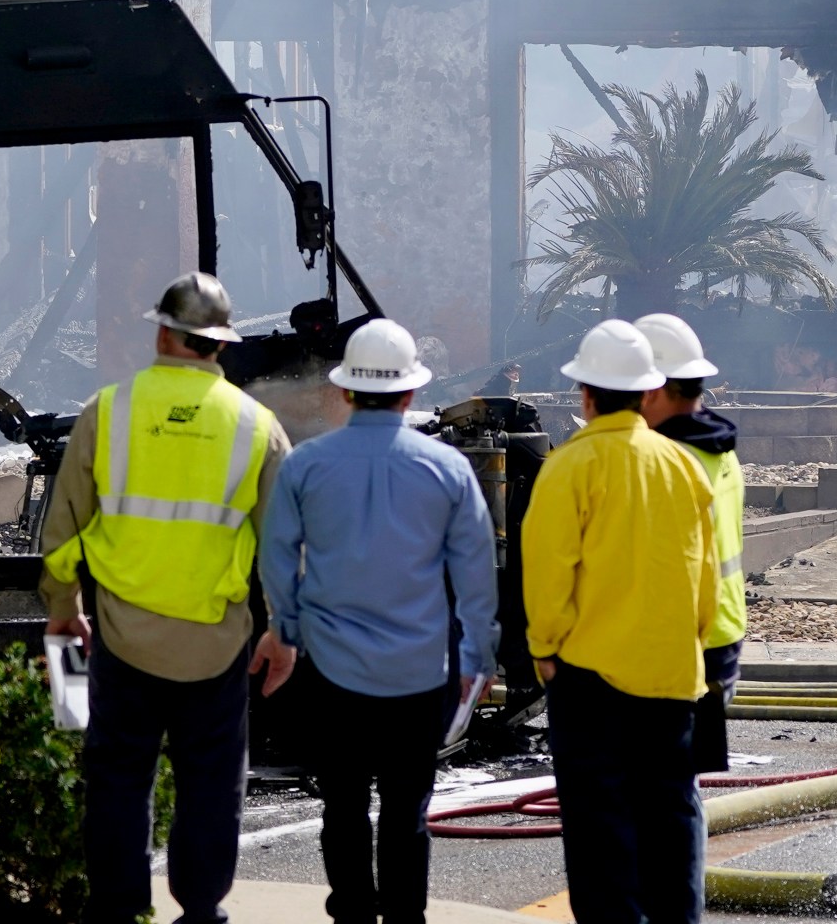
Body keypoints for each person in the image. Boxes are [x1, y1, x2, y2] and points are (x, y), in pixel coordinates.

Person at [42, 271, 294, 924]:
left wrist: (63, 609)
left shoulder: (108, 411)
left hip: (123, 640)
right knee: (211, 784)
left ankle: (120, 909)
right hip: (215, 645)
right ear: (220, 343)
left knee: (119, 780)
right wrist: (281, 631)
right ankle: (201, 909)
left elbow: (63, 525)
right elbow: (284, 547)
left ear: (163, 332)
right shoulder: (256, 426)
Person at [256, 319, 498, 924]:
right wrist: (477, 659)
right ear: (410, 392)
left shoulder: (306, 466)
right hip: (417, 675)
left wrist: (284, 632)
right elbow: (475, 577)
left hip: (332, 673)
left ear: (344, 392)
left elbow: (277, 559)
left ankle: (354, 915)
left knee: (342, 806)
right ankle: (405, 918)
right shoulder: (447, 469)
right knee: (406, 811)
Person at [521, 320, 720, 924]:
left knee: (600, 830)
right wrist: (692, 645)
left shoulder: (569, 467)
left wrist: (544, 649)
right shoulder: (684, 466)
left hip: (590, 679)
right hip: (671, 676)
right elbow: (706, 579)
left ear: (585, 393)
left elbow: (548, 572)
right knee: (671, 821)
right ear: (645, 392)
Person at [631, 313, 745, 774]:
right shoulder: (720, 447)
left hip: (679, 639)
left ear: (654, 390)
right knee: (685, 787)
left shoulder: (666, 459)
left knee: (661, 787)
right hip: (722, 630)